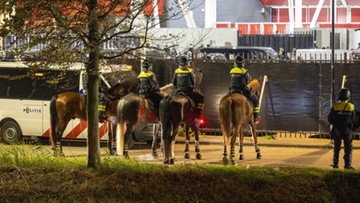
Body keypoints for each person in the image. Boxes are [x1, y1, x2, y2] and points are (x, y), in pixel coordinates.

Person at [328, 88, 356, 170]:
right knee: (348, 148)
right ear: (348, 96)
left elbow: (330, 119)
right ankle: (347, 165)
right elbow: (353, 119)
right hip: (347, 130)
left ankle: (335, 164)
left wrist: (335, 122)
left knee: (336, 147)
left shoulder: (335, 106)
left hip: (337, 129)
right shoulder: (351, 106)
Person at [228, 55, 260, 122]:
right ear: (242, 63)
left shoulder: (231, 70)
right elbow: (248, 82)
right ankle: (256, 117)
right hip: (242, 90)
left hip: (232, 90)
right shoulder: (244, 71)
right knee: (256, 100)